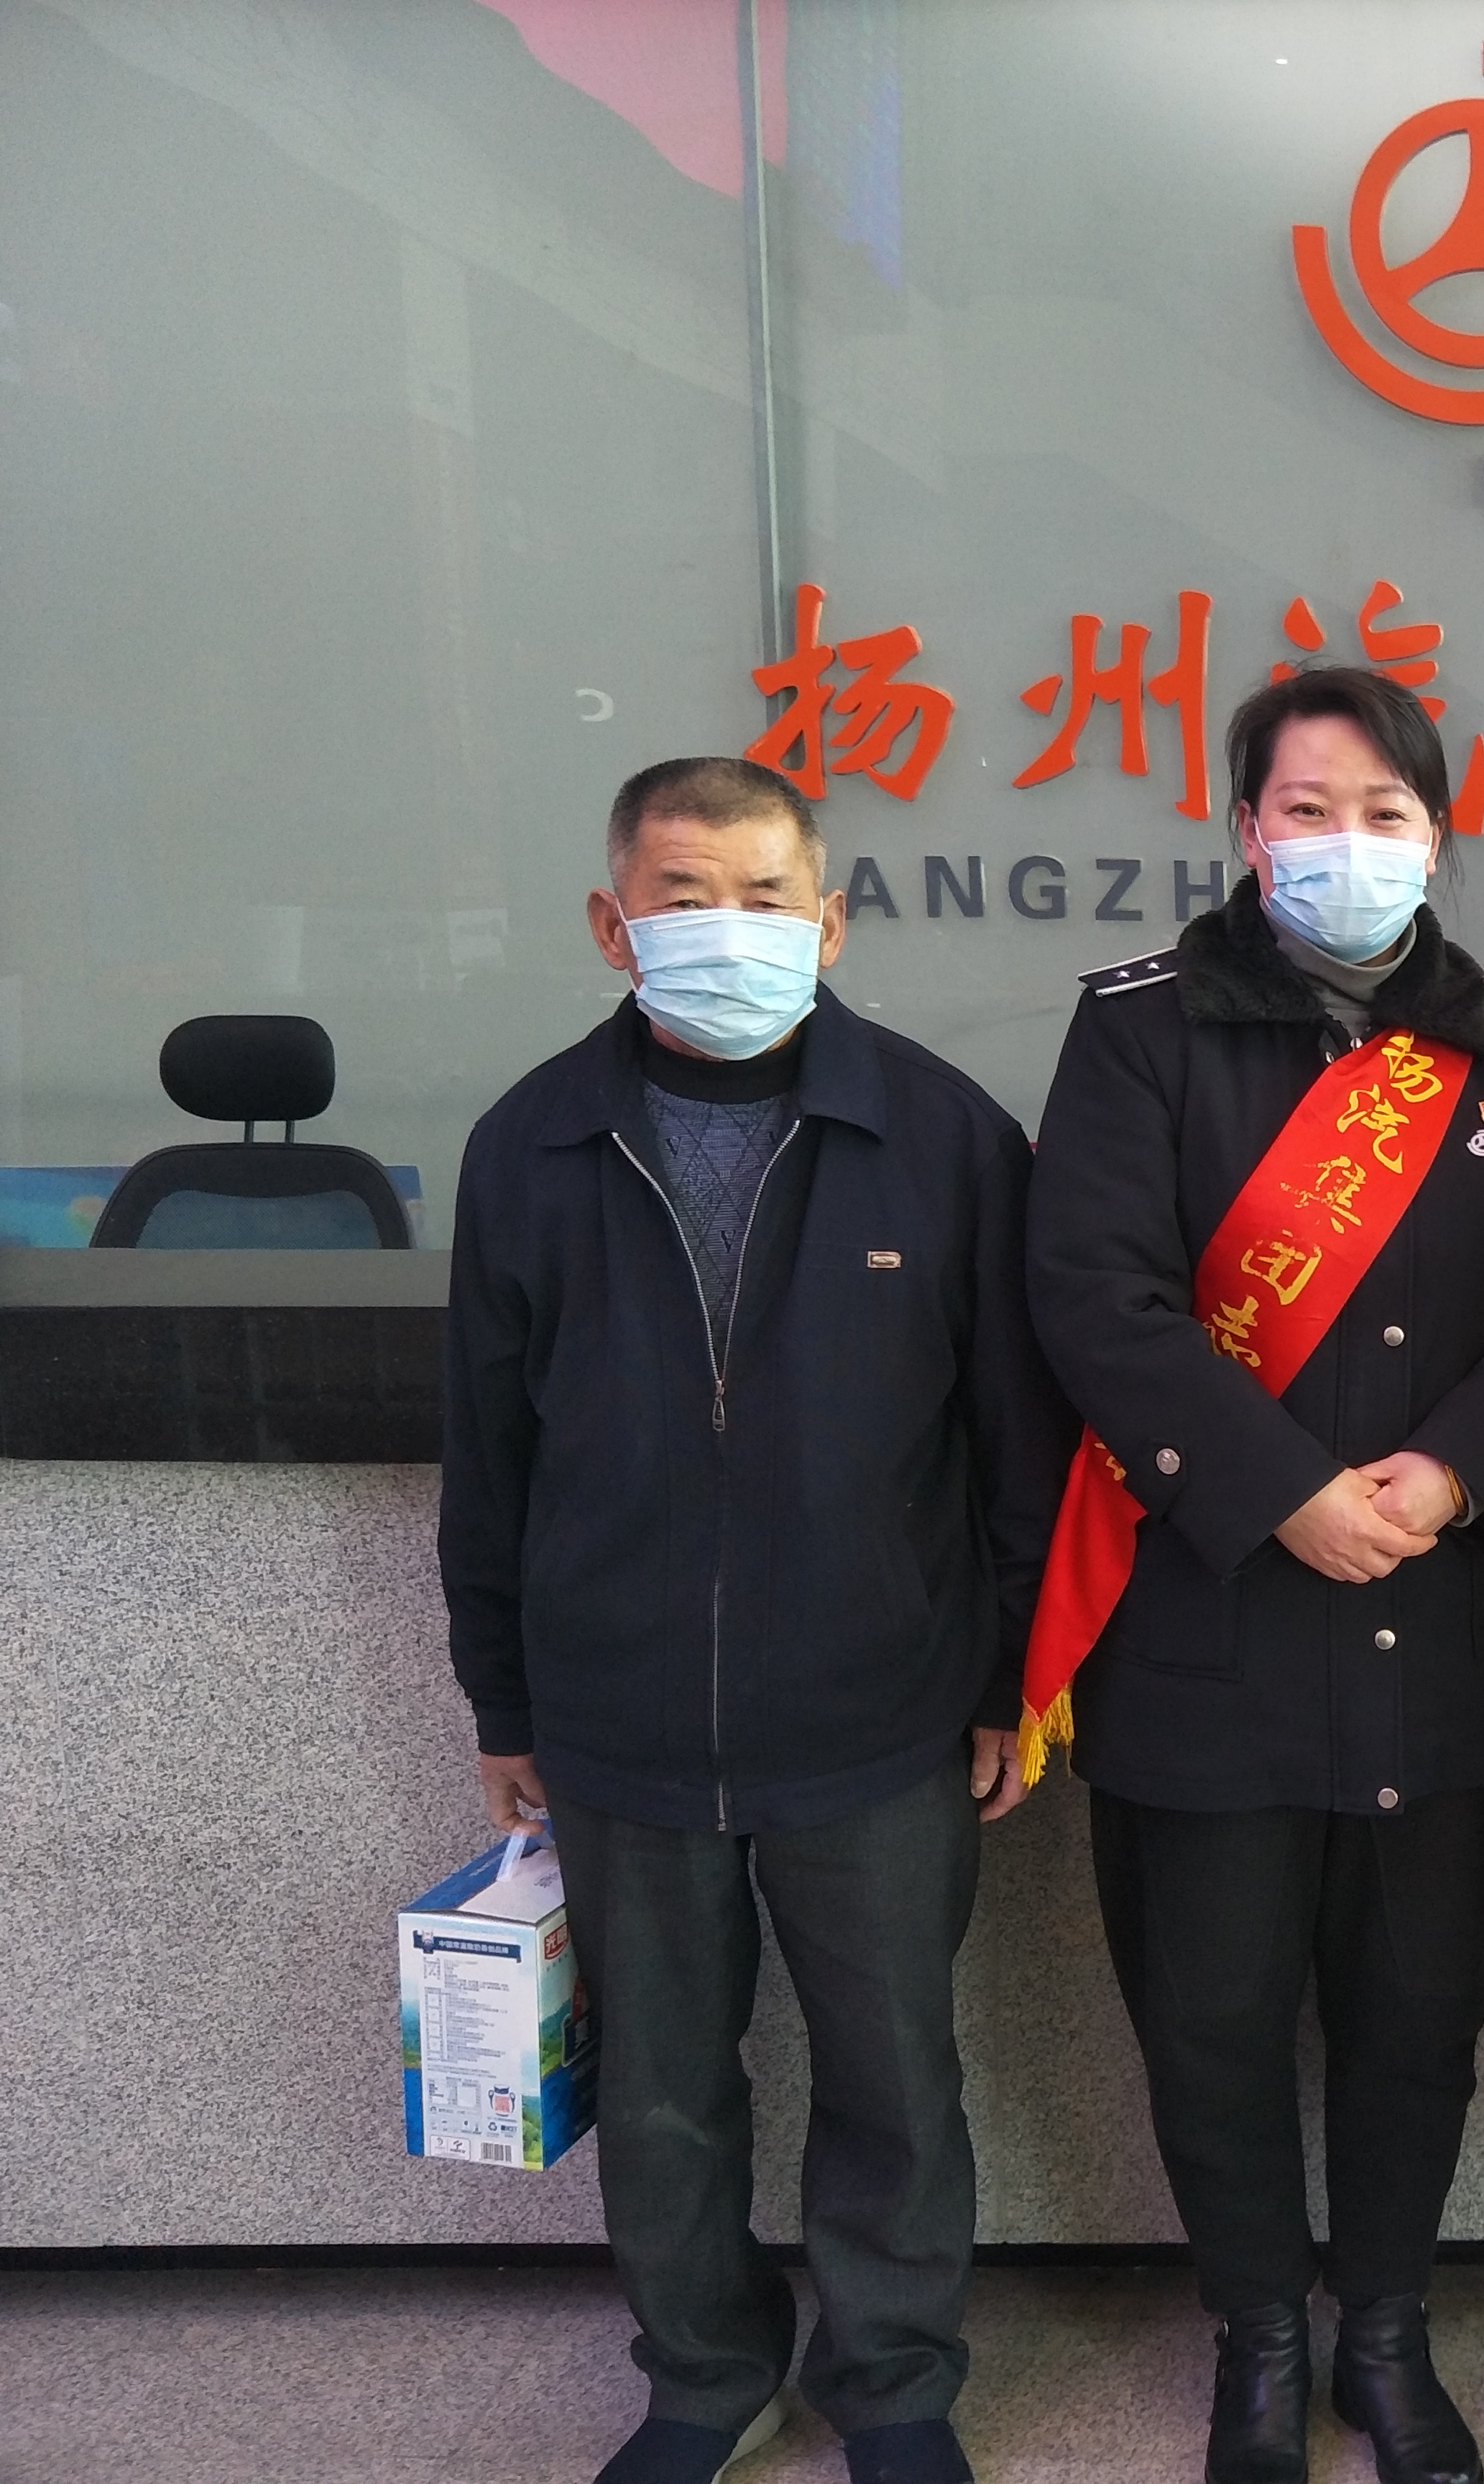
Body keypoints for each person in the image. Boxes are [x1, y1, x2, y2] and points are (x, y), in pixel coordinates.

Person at [441, 757, 1076, 2484]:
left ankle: (896, 2383)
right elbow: (489, 1456)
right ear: (612, 923)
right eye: (682, 895)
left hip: (880, 1715)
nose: (726, 928)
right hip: (620, 1720)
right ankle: (706, 2378)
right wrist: (503, 1700)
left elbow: (1017, 1448)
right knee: (660, 2090)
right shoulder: (531, 1146)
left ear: (831, 920)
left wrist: (1011, 1676)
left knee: (895, 2080)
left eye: (764, 895)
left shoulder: (944, 1137)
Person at [1025, 667, 1484, 2484]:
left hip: (1435, 1621)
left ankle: (1386, 2334)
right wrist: (1280, 1490)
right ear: (1244, 829)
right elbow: (1095, 1295)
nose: (1344, 842)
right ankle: (1260, 2336)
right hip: (1206, 1619)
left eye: (1383, 812)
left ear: (1435, 836)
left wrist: (1452, 1471)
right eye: (1307, 809)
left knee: (1415, 2016)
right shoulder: (1140, 1031)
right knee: (1207, 2018)